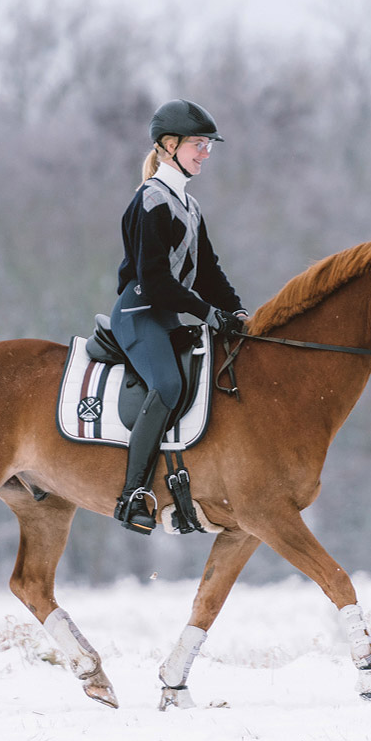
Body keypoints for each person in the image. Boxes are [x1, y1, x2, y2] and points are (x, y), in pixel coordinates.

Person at [110, 99, 247, 532]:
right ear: (168, 146)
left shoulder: (189, 205)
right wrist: (207, 313)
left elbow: (207, 271)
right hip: (139, 312)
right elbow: (153, 282)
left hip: (169, 315)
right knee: (168, 383)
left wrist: (236, 310)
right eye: (198, 145)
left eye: (209, 146)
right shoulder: (151, 201)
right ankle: (133, 494)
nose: (206, 153)